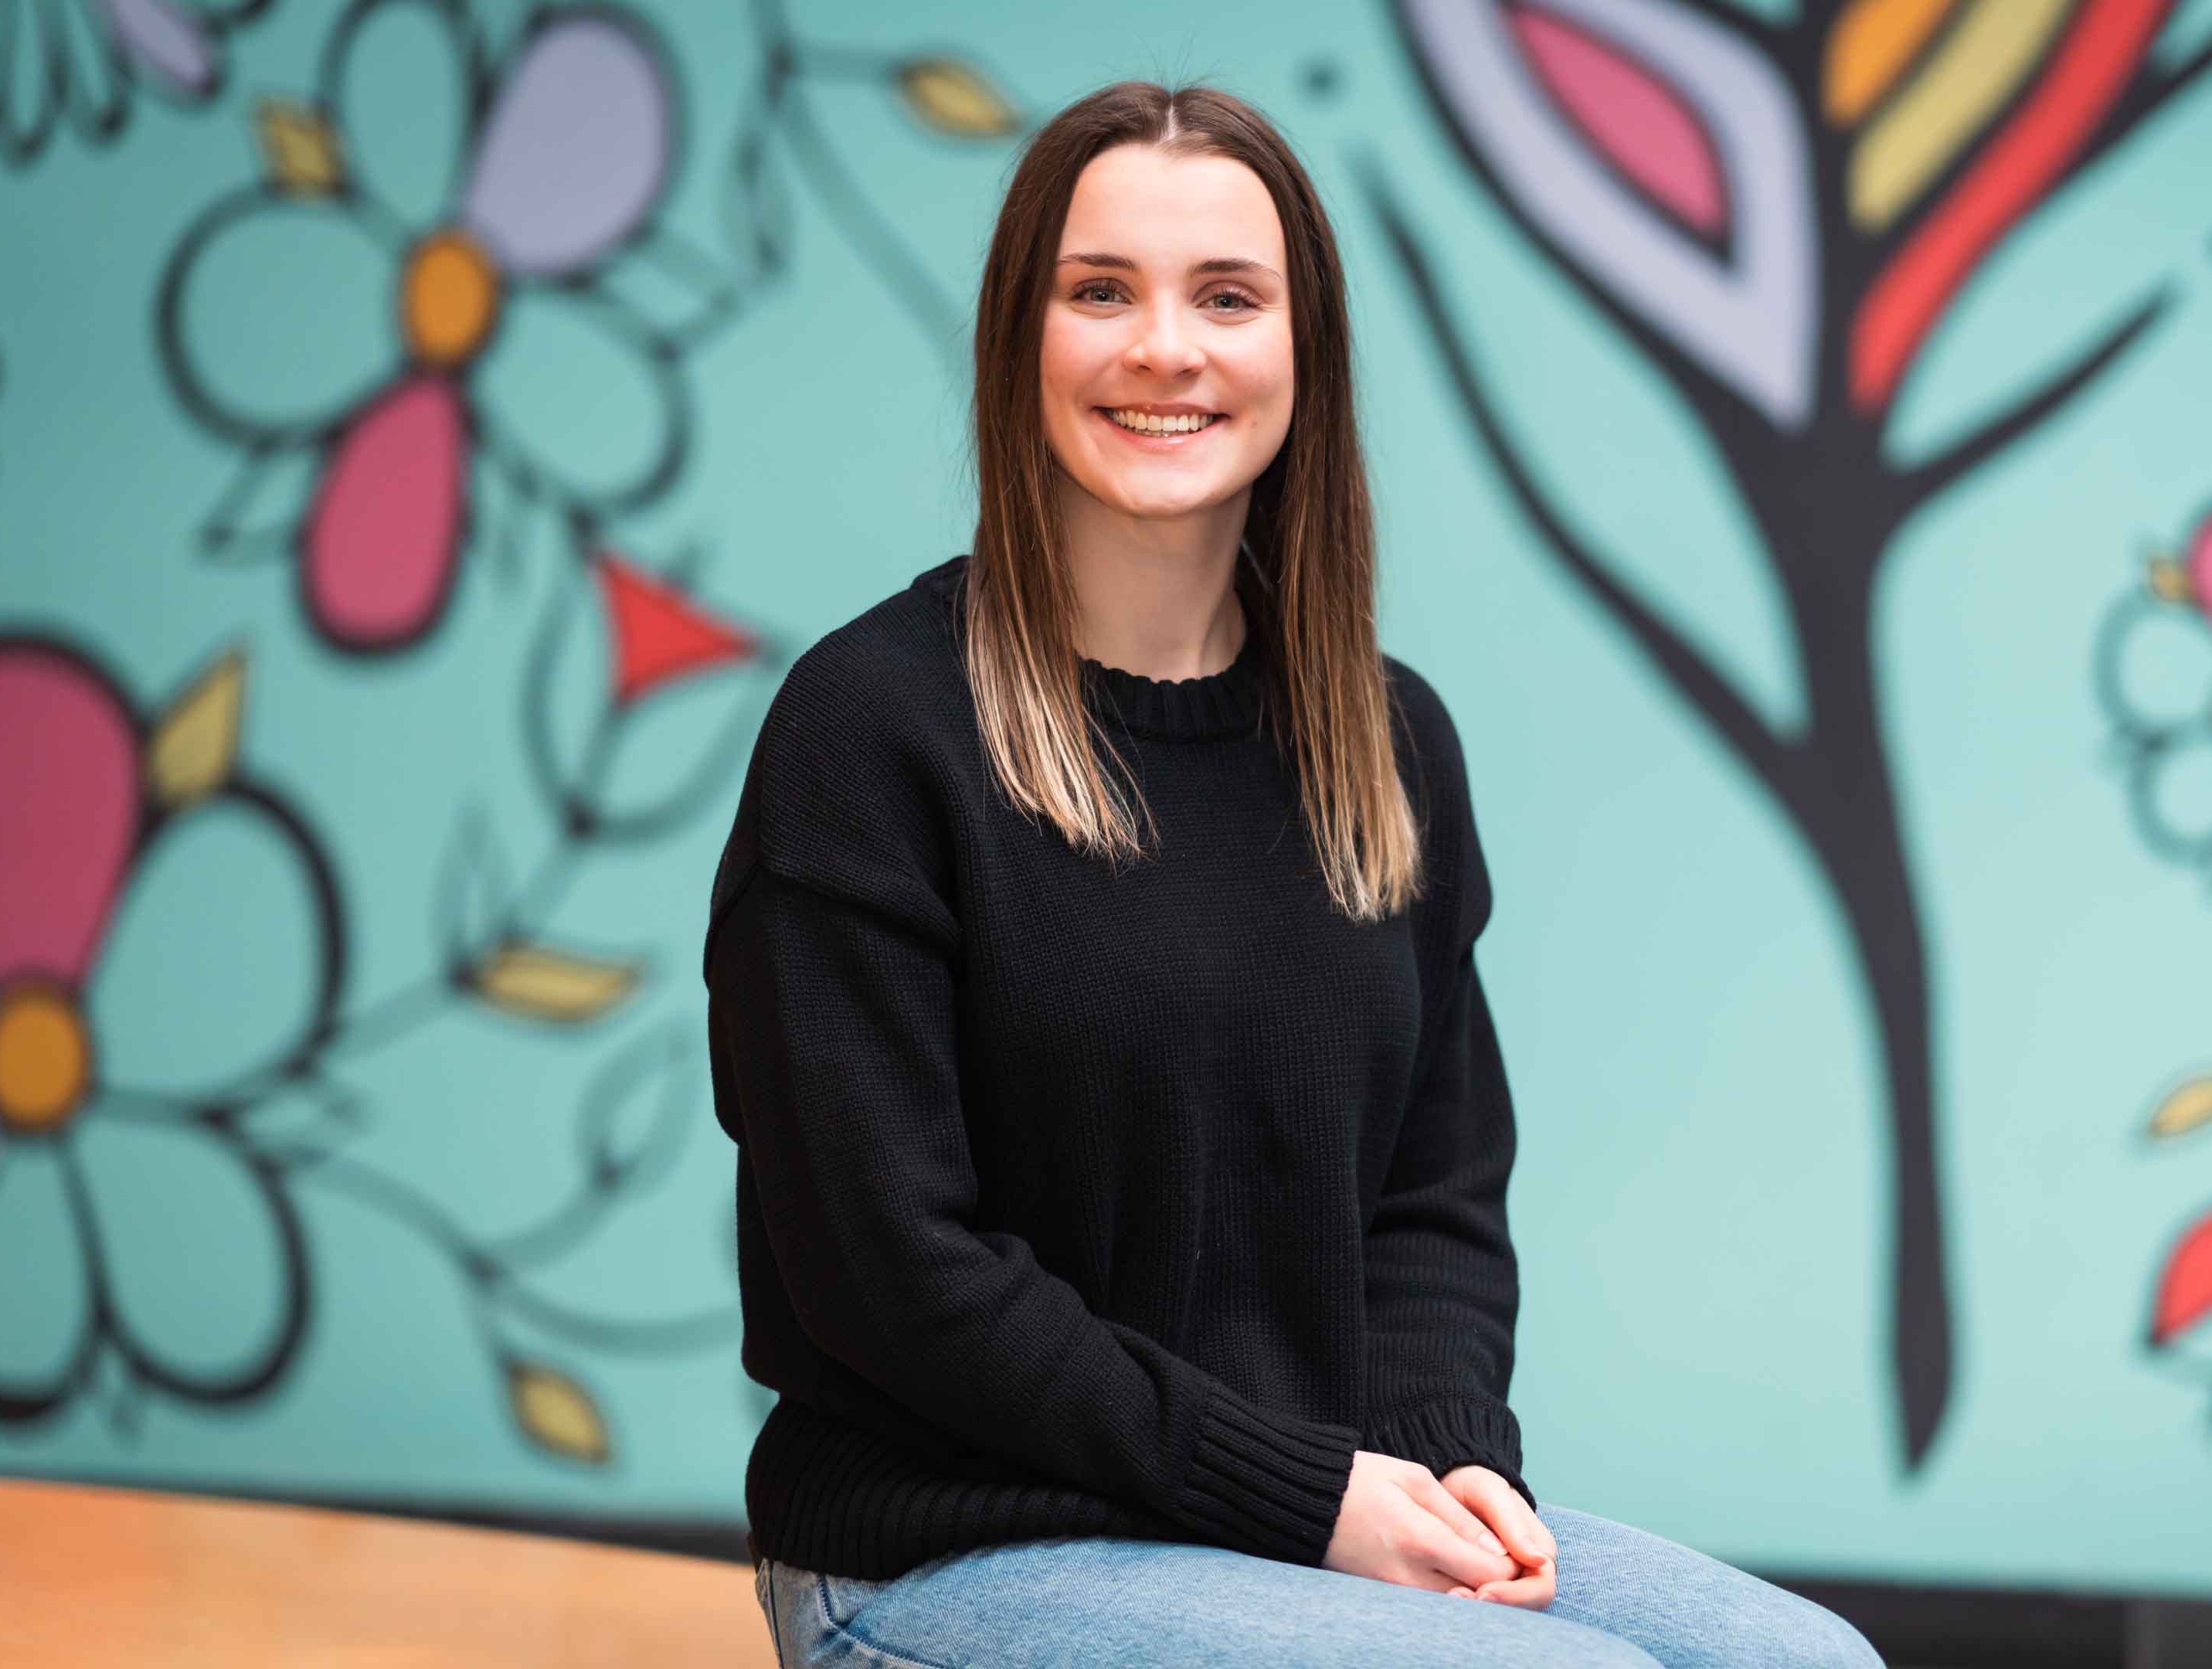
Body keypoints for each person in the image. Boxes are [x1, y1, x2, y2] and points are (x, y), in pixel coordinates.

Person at [706, 77, 1885, 1668]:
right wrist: (1311, 1497)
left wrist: (1454, 1453)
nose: (1164, 349)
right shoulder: (873, 733)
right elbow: (893, 1277)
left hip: (1284, 1524)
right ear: (1020, 342)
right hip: (944, 1552)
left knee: (1812, 1664)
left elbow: (1431, 1205)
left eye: (1227, 297)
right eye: (1100, 291)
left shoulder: (1387, 746)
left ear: (1300, 356)